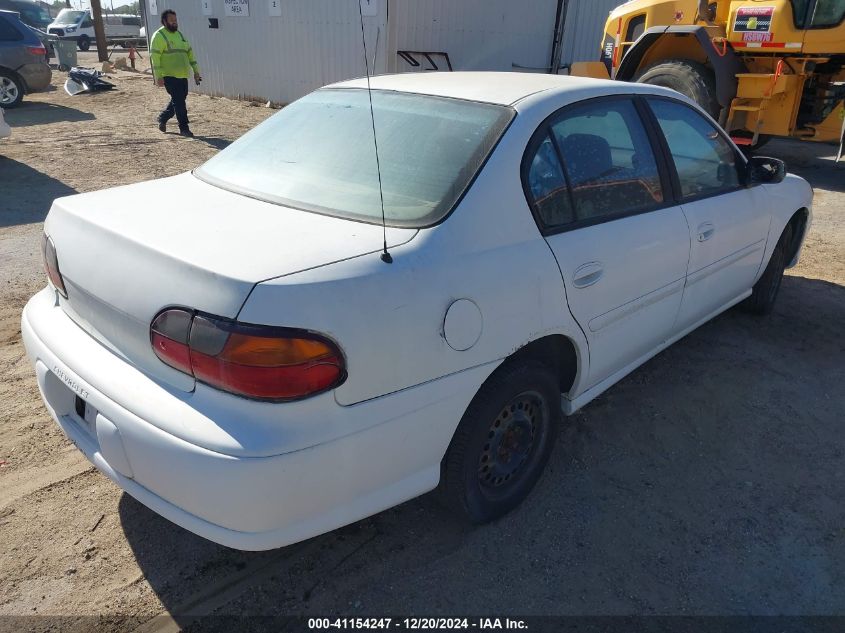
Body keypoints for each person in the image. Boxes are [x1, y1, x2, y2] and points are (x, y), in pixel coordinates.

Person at [150, 10, 202, 138]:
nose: (175, 23)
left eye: (175, 20)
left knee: (178, 99)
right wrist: (158, 76)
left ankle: (162, 118)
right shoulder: (159, 36)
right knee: (179, 102)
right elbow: (155, 57)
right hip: (169, 75)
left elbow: (190, 54)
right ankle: (184, 128)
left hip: (183, 75)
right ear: (164, 21)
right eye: (172, 21)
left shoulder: (180, 35)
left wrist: (196, 71)